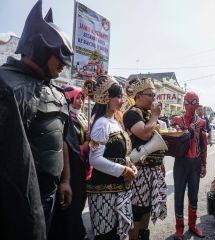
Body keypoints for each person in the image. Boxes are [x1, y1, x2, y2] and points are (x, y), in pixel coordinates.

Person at [0, 1, 73, 239]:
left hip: (51, 195)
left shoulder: (57, 94)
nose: (64, 63)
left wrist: (66, 180)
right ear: (39, 46)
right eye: (58, 53)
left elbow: (62, 140)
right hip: (14, 206)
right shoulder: (7, 85)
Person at [87, 75, 137, 240]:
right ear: (107, 98)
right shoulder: (101, 123)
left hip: (119, 189)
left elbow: (121, 153)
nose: (123, 100)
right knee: (107, 236)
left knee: (117, 234)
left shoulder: (115, 122)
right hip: (104, 191)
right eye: (119, 96)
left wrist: (130, 164)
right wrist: (123, 171)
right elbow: (94, 159)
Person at [123, 78, 167, 240]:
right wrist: (155, 115)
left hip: (153, 170)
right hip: (139, 171)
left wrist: (160, 162)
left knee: (147, 208)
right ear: (139, 96)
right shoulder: (131, 113)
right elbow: (144, 133)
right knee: (136, 211)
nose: (155, 99)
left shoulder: (147, 114)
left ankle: (143, 236)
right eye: (151, 95)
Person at [48, 85, 91, 240]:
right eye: (76, 97)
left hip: (81, 170)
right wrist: (84, 146)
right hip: (69, 170)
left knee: (78, 205)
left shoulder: (81, 117)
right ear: (68, 98)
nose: (80, 101)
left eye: (82, 98)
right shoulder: (66, 117)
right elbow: (65, 144)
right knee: (69, 208)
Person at [171, 91, 207, 240]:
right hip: (180, 162)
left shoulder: (202, 122)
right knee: (178, 196)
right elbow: (172, 143)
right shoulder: (177, 120)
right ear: (184, 103)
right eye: (188, 102)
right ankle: (179, 229)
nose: (191, 105)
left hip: (195, 163)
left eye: (194, 102)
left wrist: (204, 164)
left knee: (193, 196)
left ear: (197, 103)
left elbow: (203, 145)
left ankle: (192, 225)